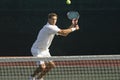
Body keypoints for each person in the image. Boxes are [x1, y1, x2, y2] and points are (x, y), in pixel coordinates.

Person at [29, 13, 79, 80]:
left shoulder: (54, 27)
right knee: (42, 67)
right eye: (52, 19)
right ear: (49, 19)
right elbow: (63, 32)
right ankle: (32, 77)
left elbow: (64, 34)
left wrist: (72, 25)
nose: (54, 21)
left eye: (55, 19)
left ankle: (39, 78)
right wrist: (74, 28)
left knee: (51, 65)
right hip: (37, 49)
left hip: (45, 50)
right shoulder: (48, 27)